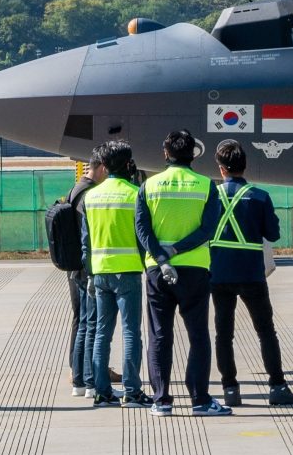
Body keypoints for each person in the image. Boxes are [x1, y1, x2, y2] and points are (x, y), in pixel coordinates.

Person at [138, 130, 228, 416]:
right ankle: (200, 399)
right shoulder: (206, 185)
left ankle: (161, 400)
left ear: (165, 154)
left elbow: (142, 230)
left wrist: (163, 257)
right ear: (194, 155)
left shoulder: (149, 186)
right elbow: (207, 229)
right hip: (195, 270)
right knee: (198, 335)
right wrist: (177, 250)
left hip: (157, 271)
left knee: (160, 335)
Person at [208, 139, 293, 408]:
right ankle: (277, 386)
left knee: (223, 333)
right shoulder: (260, 196)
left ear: (221, 168)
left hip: (219, 273)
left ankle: (230, 389)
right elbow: (273, 233)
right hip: (251, 273)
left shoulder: (211, 195)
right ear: (244, 165)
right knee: (265, 331)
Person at [84, 143, 149, 407]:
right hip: (128, 269)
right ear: (128, 164)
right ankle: (132, 391)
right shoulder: (136, 194)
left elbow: (86, 240)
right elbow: (142, 234)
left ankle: (101, 392)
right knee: (131, 332)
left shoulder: (92, 196)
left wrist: (89, 272)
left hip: (100, 271)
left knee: (102, 333)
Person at [47, 154, 104, 397]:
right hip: (83, 268)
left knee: (81, 321)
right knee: (88, 322)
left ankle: (80, 373)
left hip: (74, 267)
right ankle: (84, 375)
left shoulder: (76, 189)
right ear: (101, 168)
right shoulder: (87, 194)